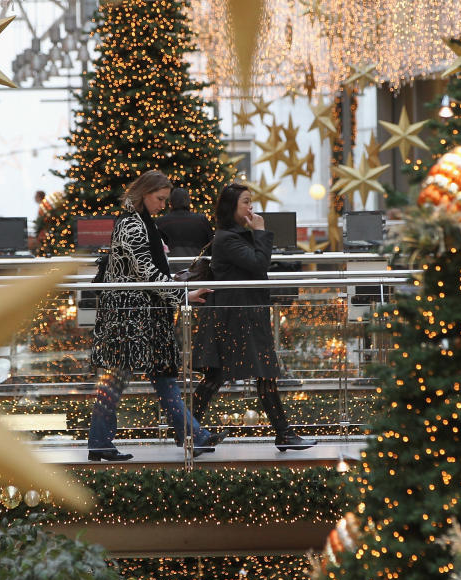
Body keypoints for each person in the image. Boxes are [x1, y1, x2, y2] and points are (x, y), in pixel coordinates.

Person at [87, 170, 226, 461]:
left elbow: (148, 272)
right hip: (130, 318)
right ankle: (100, 442)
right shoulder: (133, 225)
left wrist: (175, 284)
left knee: (160, 377)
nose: (163, 205)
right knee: (121, 378)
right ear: (144, 194)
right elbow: (147, 273)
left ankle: (194, 436)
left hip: (142, 316)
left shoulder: (140, 222)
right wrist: (183, 295)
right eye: (159, 199)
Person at [192, 184, 316, 451]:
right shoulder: (228, 238)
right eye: (246, 202)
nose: (251, 207)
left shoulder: (231, 236)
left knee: (231, 375)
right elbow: (259, 265)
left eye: (251, 202)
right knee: (246, 373)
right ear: (231, 208)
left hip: (240, 315)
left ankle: (189, 431)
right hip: (238, 317)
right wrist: (260, 232)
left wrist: (256, 233)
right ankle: (189, 431)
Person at [155, 187, 213, 258]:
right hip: (196, 265)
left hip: (171, 266)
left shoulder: (161, 222)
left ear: (171, 202)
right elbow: (211, 246)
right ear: (188, 201)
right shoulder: (201, 220)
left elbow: (156, 249)